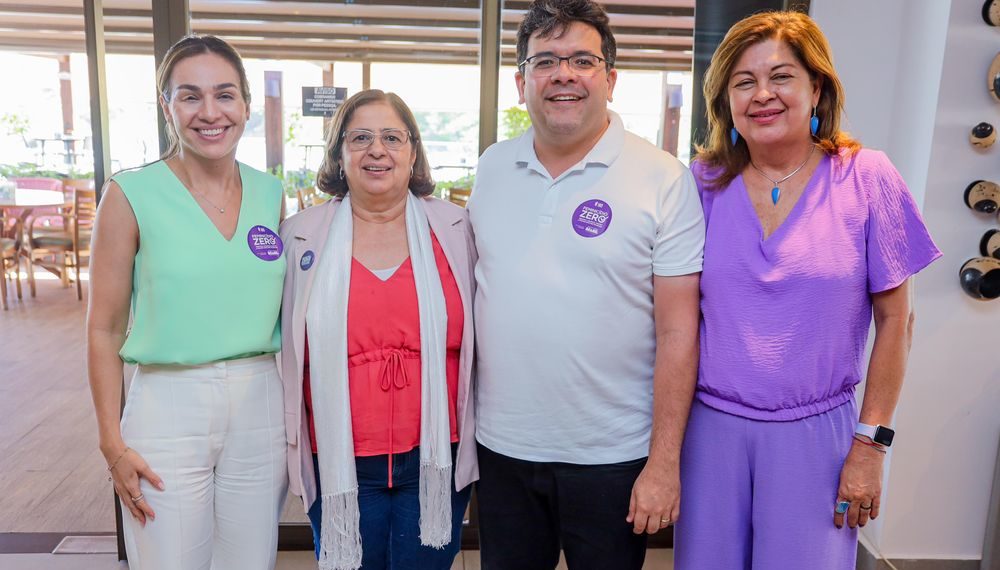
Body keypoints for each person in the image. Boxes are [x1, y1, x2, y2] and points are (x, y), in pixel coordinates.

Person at [675, 11, 942, 570]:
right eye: (743, 81)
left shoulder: (867, 177)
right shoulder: (700, 183)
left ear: (816, 87)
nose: (762, 94)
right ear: (725, 100)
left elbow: (898, 322)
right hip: (711, 433)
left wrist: (871, 446)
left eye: (782, 76)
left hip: (818, 437)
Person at [467, 0, 705, 567]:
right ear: (521, 81)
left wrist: (663, 462)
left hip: (613, 455)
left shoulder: (663, 178)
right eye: (545, 60)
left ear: (611, 79)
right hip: (502, 449)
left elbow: (679, 332)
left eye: (582, 59)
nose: (564, 74)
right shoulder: (493, 167)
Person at [86, 35, 287, 570]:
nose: (210, 112)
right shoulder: (130, 194)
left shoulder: (272, 194)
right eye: (189, 96)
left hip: (261, 400)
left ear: (245, 104)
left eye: (224, 95)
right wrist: (111, 440)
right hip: (166, 405)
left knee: (250, 562)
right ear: (166, 106)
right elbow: (103, 329)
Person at [277, 89, 477, 570]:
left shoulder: (458, 229)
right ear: (339, 153)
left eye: (392, 136)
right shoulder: (300, 235)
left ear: (413, 151)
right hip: (340, 456)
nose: (377, 149)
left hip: (435, 456)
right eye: (360, 137)